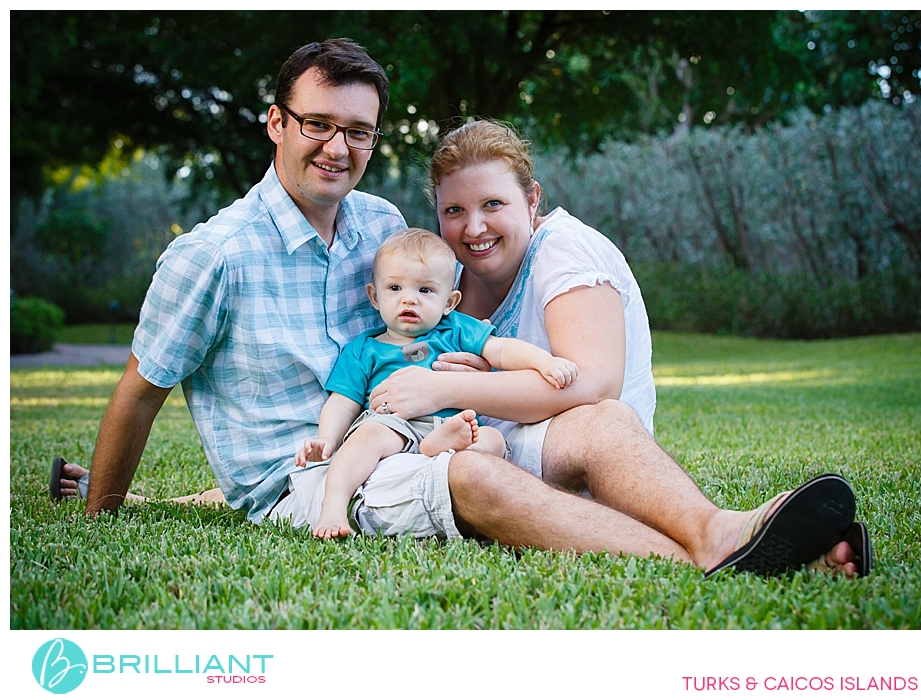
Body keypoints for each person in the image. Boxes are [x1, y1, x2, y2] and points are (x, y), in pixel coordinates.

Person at [51, 41, 866, 576]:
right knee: (470, 473)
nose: (338, 147)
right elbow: (140, 389)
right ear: (276, 123)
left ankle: (722, 529)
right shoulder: (212, 255)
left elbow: (463, 335)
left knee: (603, 423)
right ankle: (714, 552)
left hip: (414, 429)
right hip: (313, 480)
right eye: (317, 124)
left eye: (359, 131)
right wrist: (103, 516)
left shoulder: (379, 227)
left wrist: (457, 386)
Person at [296, 227, 578, 539]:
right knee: (366, 436)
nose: (408, 299)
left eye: (425, 291)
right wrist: (327, 440)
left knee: (493, 441)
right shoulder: (365, 348)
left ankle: (438, 448)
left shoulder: (454, 330)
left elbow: (501, 350)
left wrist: (544, 362)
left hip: (454, 425)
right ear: (374, 297)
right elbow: (342, 402)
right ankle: (334, 504)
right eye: (394, 288)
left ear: (449, 302)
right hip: (394, 426)